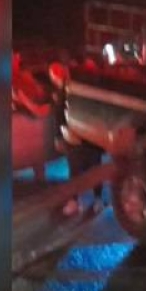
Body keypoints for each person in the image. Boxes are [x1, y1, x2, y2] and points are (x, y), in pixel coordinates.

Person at [48, 62, 105, 216]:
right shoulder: (72, 90)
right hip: (84, 136)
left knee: (79, 170)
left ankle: (82, 201)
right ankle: (90, 200)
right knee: (89, 168)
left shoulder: (68, 92)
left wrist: (58, 137)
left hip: (78, 136)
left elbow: (59, 117)